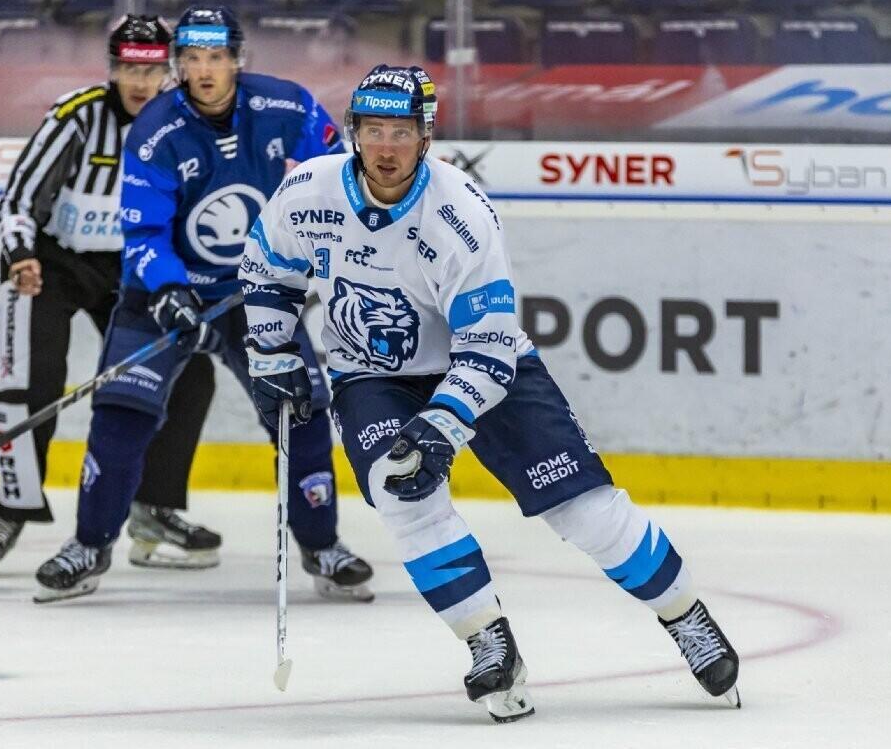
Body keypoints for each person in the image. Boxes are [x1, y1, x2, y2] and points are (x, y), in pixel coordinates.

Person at [239, 64, 741, 722]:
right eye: (372, 131)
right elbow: (266, 264)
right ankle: (490, 644)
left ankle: (686, 615)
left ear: (426, 138)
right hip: (371, 372)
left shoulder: (461, 213)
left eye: (401, 132)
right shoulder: (308, 190)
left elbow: (488, 346)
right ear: (353, 134)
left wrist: (443, 423)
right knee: (403, 493)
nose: (385, 147)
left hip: (485, 367)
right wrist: (271, 349)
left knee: (584, 511)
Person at [32, 5, 374, 605]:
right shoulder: (155, 130)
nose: (204, 70)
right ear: (177, 65)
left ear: (237, 59)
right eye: (190, 59)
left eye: (215, 57)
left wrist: (337, 227)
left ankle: (322, 546)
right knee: (122, 412)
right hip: (167, 295)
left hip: (256, 291)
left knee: (302, 411)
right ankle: (89, 545)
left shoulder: (287, 106)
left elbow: (344, 168)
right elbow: (143, 233)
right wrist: (167, 289)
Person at [0, 15, 222, 577]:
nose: (140, 81)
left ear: (170, 71)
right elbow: (17, 201)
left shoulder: (186, 124)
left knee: (189, 376)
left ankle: (154, 509)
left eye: (152, 69)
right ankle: (12, 508)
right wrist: (21, 255)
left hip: (133, 269)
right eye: (129, 68)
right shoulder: (76, 117)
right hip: (53, 264)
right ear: (111, 69)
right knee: (33, 383)